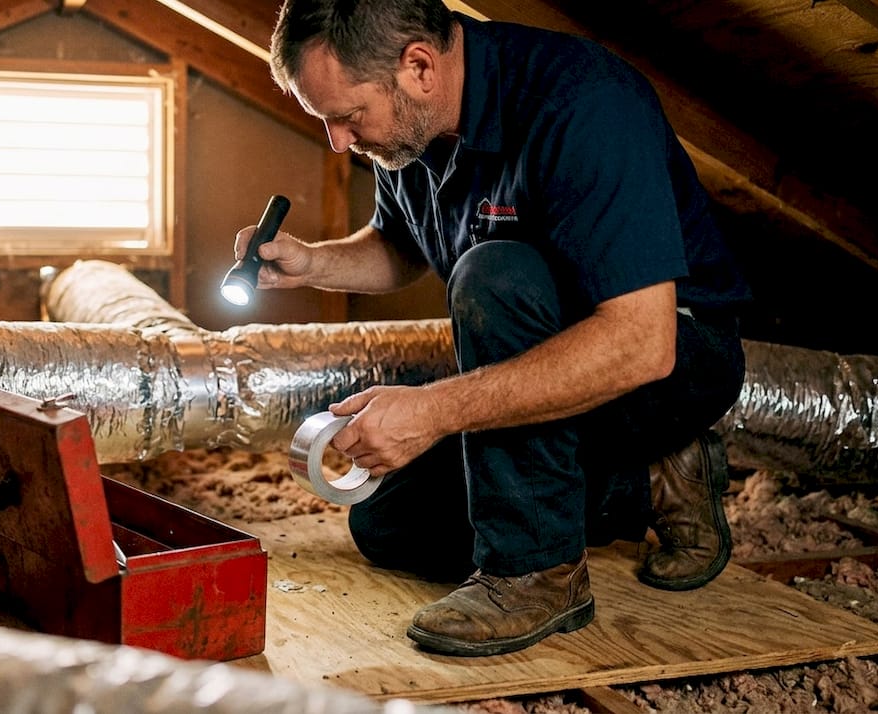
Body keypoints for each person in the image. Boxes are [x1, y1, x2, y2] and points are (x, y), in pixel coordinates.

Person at [233, 0, 753, 657]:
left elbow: (641, 344)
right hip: (551, 352)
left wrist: (434, 410)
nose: (338, 140)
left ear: (419, 66)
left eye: (346, 116)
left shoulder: (584, 105)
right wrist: (311, 263)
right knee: (388, 526)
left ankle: (536, 575)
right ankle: (651, 483)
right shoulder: (410, 131)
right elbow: (400, 246)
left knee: (493, 273)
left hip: (672, 359)